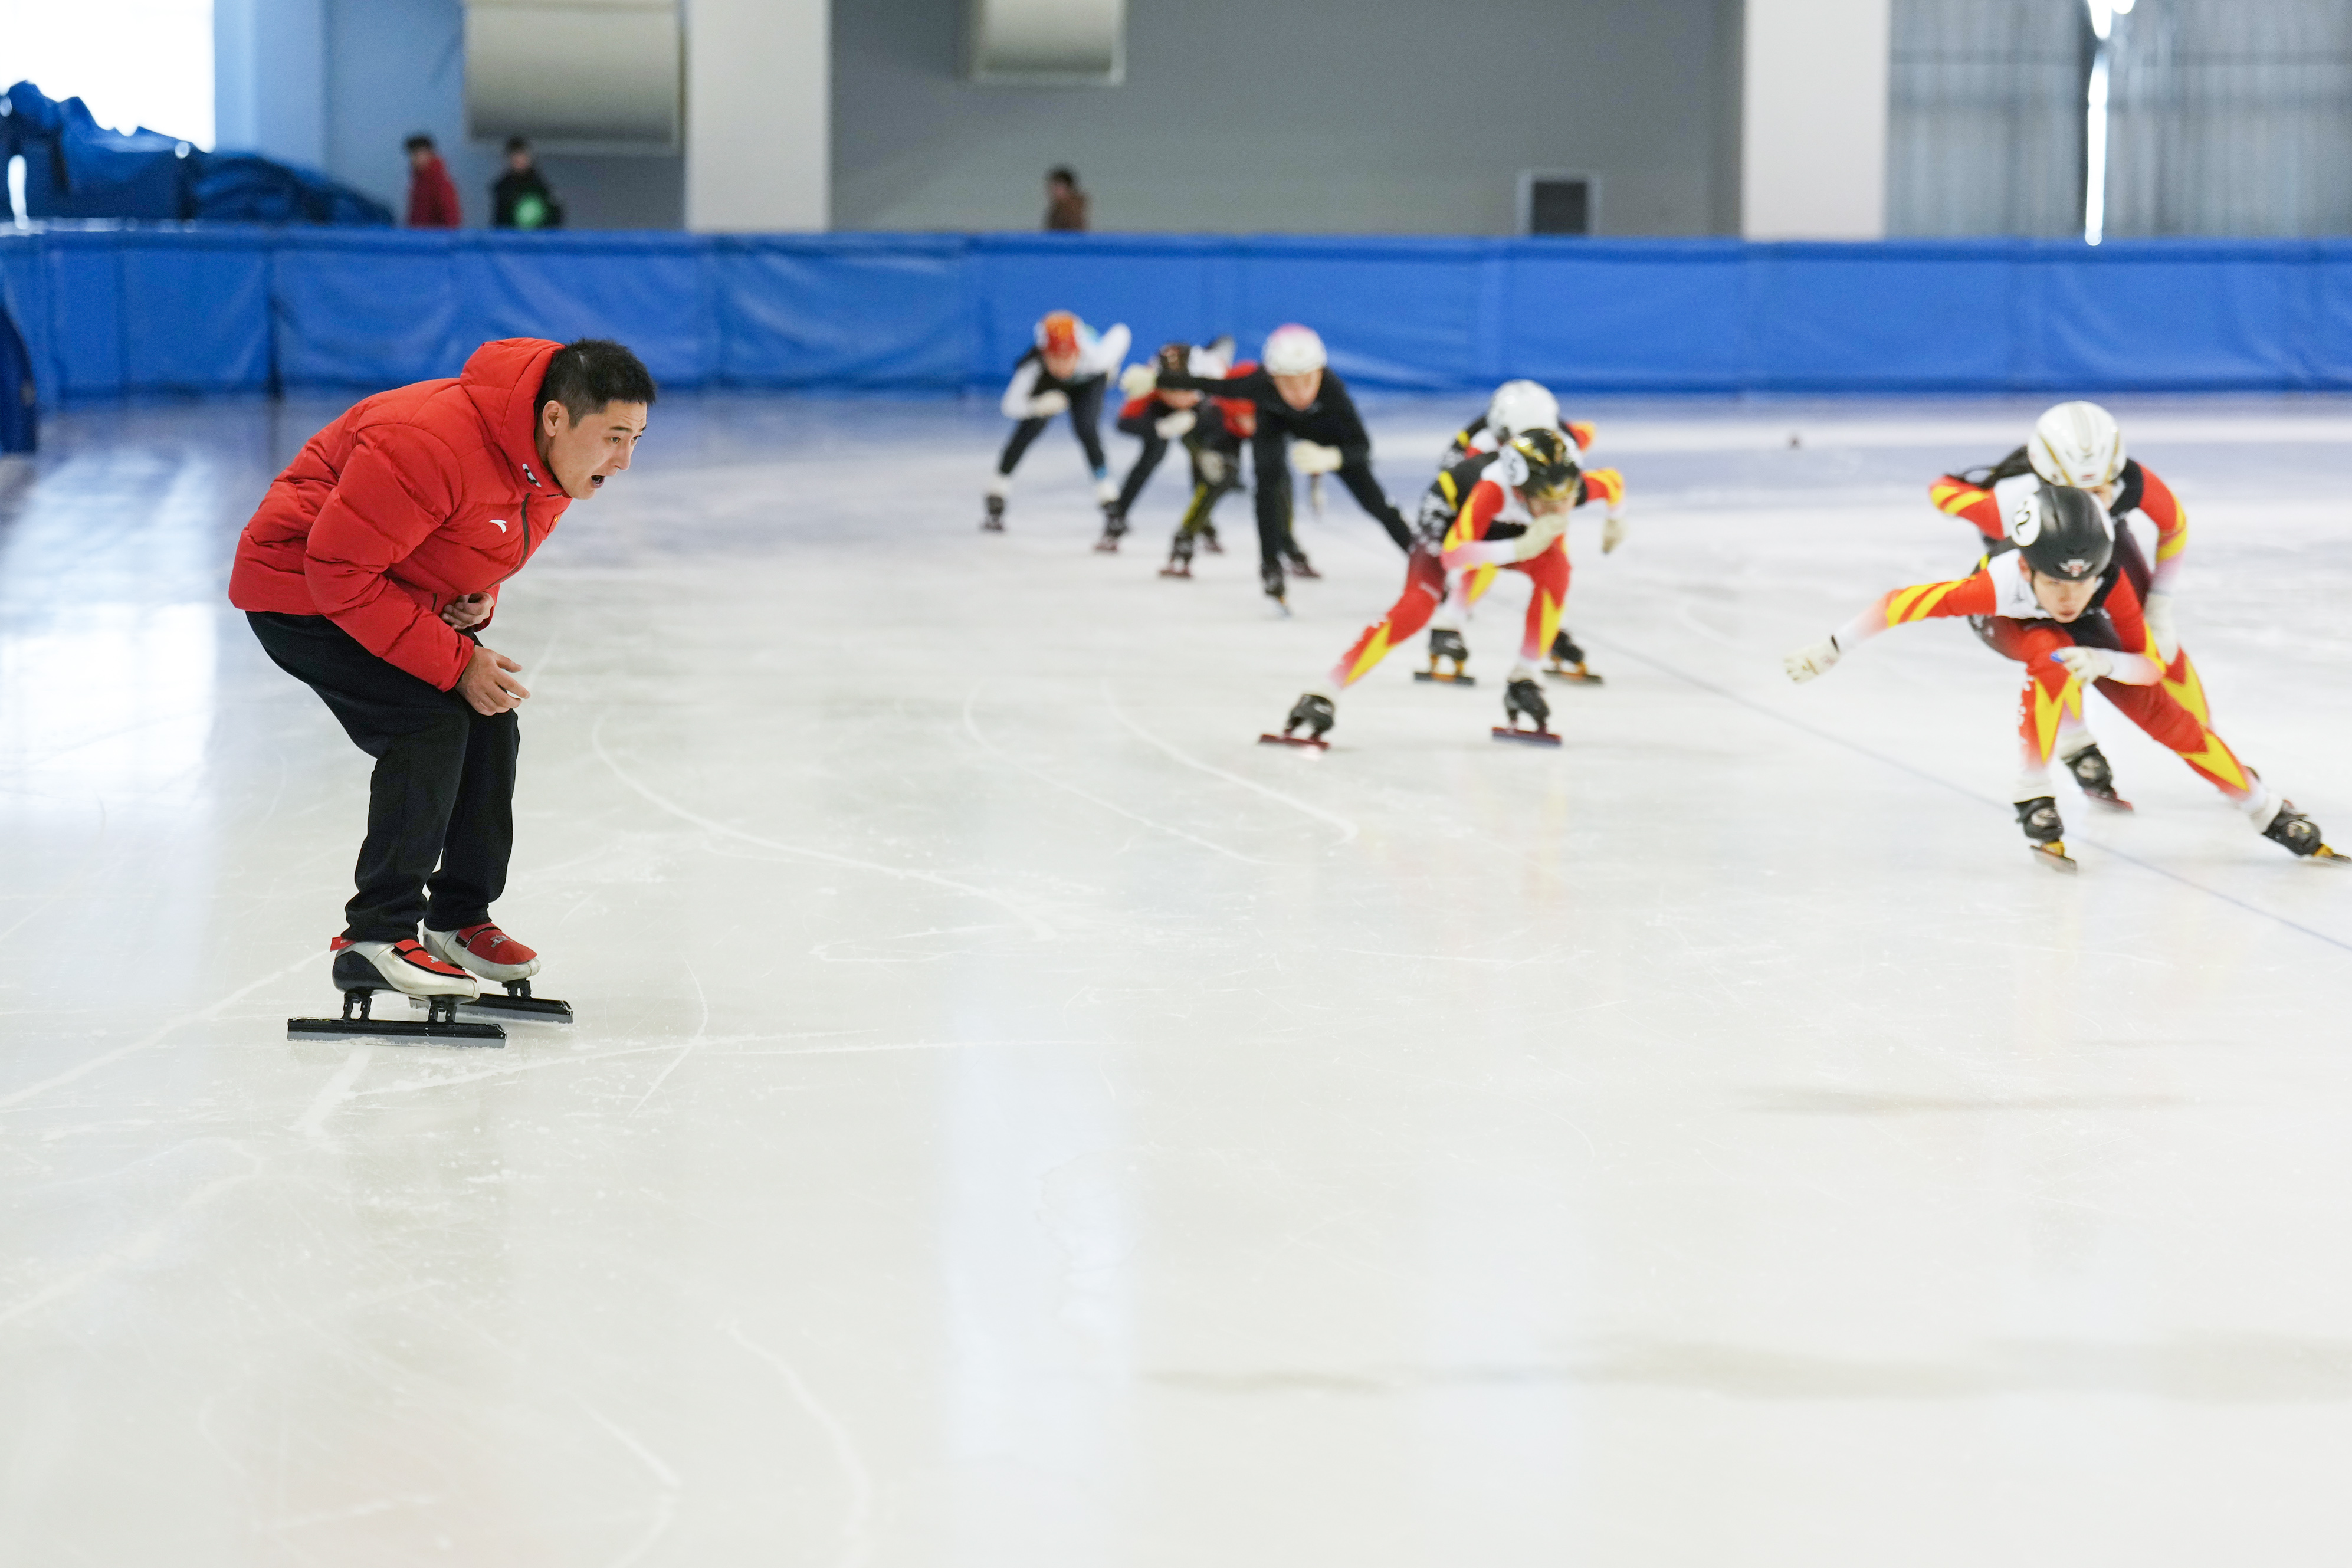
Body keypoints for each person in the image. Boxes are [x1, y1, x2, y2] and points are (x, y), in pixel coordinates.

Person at [229, 337, 655, 1005]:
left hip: (379, 587)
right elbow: (337, 569)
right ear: (555, 418)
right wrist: (459, 663)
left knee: (489, 719)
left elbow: (470, 543)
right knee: (426, 723)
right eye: (614, 438)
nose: (624, 461)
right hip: (299, 590)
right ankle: (375, 936)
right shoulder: (429, 442)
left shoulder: (553, 470)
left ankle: (458, 918)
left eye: (636, 440)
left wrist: (475, 598)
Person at [1782, 484, 2336, 869]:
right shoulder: (1998, 584)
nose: (2069, 596)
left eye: (2082, 581)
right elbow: (1900, 604)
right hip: (2009, 625)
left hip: (2087, 638)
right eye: (2055, 583)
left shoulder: (2108, 584)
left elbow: (2149, 668)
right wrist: (1831, 649)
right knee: (2050, 650)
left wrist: (2106, 663)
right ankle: (2032, 790)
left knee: (2164, 714)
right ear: (2027, 567)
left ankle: (2264, 808)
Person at [1924, 399, 2203, 805]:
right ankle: (2074, 739)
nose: (2094, 504)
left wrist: (2159, 607)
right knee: (2059, 645)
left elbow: (2174, 527)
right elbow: (1942, 491)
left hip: (2098, 548)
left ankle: (2206, 737)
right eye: (2079, 493)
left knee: (2158, 646)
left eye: (2101, 491)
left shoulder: (2132, 481)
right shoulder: (2004, 506)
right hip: (2035, 571)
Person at [1268, 429, 1593, 746]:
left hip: (1497, 529)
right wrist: (1520, 548)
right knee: (1419, 604)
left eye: (1568, 495)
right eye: (1549, 500)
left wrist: (1615, 519)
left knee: (1557, 568)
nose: (1561, 507)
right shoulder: (1492, 489)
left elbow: (1612, 484)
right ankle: (1325, 691)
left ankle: (1526, 675)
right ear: (1520, 492)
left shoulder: (1560, 485)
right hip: (1449, 521)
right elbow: (1454, 556)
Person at [1153, 324, 1415, 607]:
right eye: (1288, 383)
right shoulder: (1259, 383)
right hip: (1275, 425)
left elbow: (1362, 447)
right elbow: (1213, 385)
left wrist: (1333, 457)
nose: (1299, 392)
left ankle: (1425, 563)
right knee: (1267, 485)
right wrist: (1155, 380)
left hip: (1328, 436)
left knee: (1374, 501)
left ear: (1320, 372)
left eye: (1308, 381)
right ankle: (1270, 567)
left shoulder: (1332, 390)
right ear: (1272, 376)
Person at [1418, 379, 1626, 684]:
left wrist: (1615, 520)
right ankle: (1450, 620)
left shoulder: (1563, 452)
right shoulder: (1480, 449)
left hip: (1528, 501)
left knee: (1555, 553)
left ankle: (1550, 628)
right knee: (1486, 544)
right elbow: (1460, 538)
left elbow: (1601, 467)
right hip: (1489, 504)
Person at [985, 310, 1130, 535]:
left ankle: (1107, 494)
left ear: (1079, 352)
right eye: (1054, 359)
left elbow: (1122, 332)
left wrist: (1111, 367)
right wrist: (1037, 406)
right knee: (1029, 429)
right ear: (1044, 355)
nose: (1062, 367)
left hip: (1089, 381)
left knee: (1087, 430)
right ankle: (998, 489)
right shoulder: (1033, 366)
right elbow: (1010, 406)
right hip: (1050, 385)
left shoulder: (1099, 358)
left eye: (1068, 358)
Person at [1101, 335, 1239, 555]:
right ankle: (1117, 519)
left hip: (1202, 409)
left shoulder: (1215, 376)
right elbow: (1124, 423)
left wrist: (1196, 416)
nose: (1177, 398)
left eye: (1184, 389)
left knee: (1201, 461)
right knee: (1153, 455)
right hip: (1163, 413)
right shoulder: (1148, 384)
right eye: (1170, 390)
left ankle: (1204, 526)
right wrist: (1159, 428)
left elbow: (1239, 420)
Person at [491, 137, 564, 230]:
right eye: (515, 157)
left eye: (522, 156)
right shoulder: (502, 188)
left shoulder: (541, 186)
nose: (519, 161)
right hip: (512, 237)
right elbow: (499, 221)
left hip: (539, 236)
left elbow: (556, 216)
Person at [404, 134, 461, 229]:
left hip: (436, 237)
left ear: (430, 154)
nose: (413, 160)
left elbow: (451, 217)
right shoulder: (419, 182)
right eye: (411, 155)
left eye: (417, 155)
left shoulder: (440, 182)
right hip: (419, 235)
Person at [1045, 166, 1089, 231]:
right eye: (1052, 187)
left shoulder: (1073, 210)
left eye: (1057, 187)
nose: (1053, 191)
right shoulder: (1057, 209)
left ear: (1068, 188)